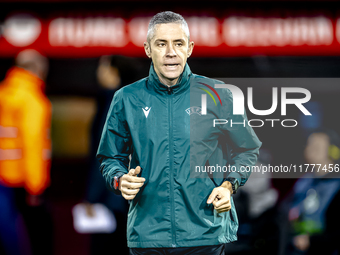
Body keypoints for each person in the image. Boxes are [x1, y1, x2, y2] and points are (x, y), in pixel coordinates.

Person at [97, 11, 262, 255]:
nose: (170, 52)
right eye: (161, 44)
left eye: (178, 43)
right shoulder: (126, 98)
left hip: (205, 234)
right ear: (147, 49)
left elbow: (247, 148)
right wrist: (120, 180)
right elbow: (110, 158)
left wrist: (229, 185)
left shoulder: (220, 94)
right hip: (148, 236)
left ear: (190, 48)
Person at [0, 49, 52, 255]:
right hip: (19, 179)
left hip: (3, 177)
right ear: (38, 69)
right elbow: (33, 146)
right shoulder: (33, 100)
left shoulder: (4, 92)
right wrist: (36, 186)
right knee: (23, 236)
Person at [280, 128, 340, 255]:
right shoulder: (303, 182)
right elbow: (284, 212)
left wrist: (313, 240)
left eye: (317, 146)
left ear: (333, 151)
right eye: (309, 144)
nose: (311, 149)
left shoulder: (336, 184)